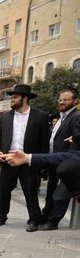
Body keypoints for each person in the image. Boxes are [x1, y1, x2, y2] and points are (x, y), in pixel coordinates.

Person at [0, 84, 50, 232]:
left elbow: (44, 142)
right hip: (8, 159)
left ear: (25, 98)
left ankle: (34, 219)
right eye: (11, 97)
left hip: (27, 160)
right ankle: (1, 216)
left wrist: (41, 163)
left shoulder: (40, 116)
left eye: (15, 97)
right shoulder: (4, 117)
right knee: (3, 190)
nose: (12, 100)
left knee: (30, 191)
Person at [39, 87, 80, 231]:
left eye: (65, 100)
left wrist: (69, 164)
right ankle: (45, 216)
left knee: (61, 194)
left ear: (75, 101)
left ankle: (54, 221)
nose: (61, 102)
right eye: (60, 99)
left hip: (65, 163)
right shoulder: (62, 117)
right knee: (51, 192)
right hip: (53, 161)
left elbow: (77, 139)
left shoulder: (76, 116)